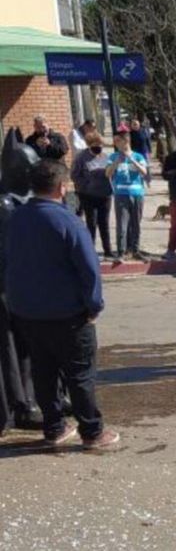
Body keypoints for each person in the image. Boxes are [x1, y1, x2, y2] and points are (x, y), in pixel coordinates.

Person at [4, 160, 118, 448]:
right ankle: (91, 431)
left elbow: (8, 264)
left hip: (27, 313)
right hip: (68, 314)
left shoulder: (16, 218)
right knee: (79, 374)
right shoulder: (67, 221)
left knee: (44, 373)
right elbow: (89, 269)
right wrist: (93, 306)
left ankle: (54, 427)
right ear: (62, 187)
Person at [0, 143, 41, 435]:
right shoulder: (4, 205)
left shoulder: (29, 199)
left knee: (30, 346)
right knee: (11, 349)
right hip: (7, 287)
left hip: (26, 287)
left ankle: (36, 396)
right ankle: (19, 404)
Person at [106, 131, 150, 262]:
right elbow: (107, 174)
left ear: (126, 141)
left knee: (136, 223)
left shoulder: (138, 156)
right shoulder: (113, 156)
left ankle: (135, 250)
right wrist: (116, 163)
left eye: (118, 141)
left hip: (137, 194)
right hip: (121, 194)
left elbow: (144, 172)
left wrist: (132, 160)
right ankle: (121, 252)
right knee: (122, 224)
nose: (116, 144)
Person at [71, 131, 114, 259]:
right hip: (88, 195)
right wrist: (86, 184)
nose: (98, 147)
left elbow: (111, 173)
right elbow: (74, 176)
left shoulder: (106, 157)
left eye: (100, 144)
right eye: (95, 144)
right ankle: (90, 250)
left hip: (105, 194)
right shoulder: (80, 158)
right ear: (89, 145)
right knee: (91, 223)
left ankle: (108, 250)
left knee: (104, 223)